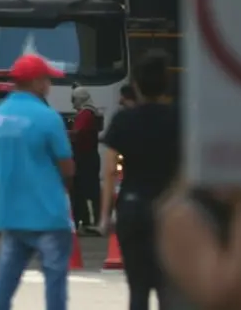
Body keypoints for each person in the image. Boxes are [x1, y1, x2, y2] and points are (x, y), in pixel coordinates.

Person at [0, 53, 73, 310]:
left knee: (6, 280)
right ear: (36, 82)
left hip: (11, 213)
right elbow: (67, 166)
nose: (49, 84)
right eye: (47, 79)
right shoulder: (48, 117)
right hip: (48, 213)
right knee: (55, 281)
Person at [100, 51, 182, 310]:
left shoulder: (123, 120)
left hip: (132, 208)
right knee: (169, 289)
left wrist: (105, 215)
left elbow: (110, 170)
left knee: (138, 289)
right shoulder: (179, 119)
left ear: (136, 85)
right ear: (166, 84)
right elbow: (189, 168)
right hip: (170, 212)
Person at [69, 86, 102, 233]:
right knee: (90, 190)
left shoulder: (85, 114)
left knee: (80, 191)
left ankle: (84, 221)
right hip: (90, 157)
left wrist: (63, 134)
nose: (73, 103)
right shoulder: (91, 112)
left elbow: (78, 134)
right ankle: (90, 220)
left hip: (83, 158)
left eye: (74, 99)